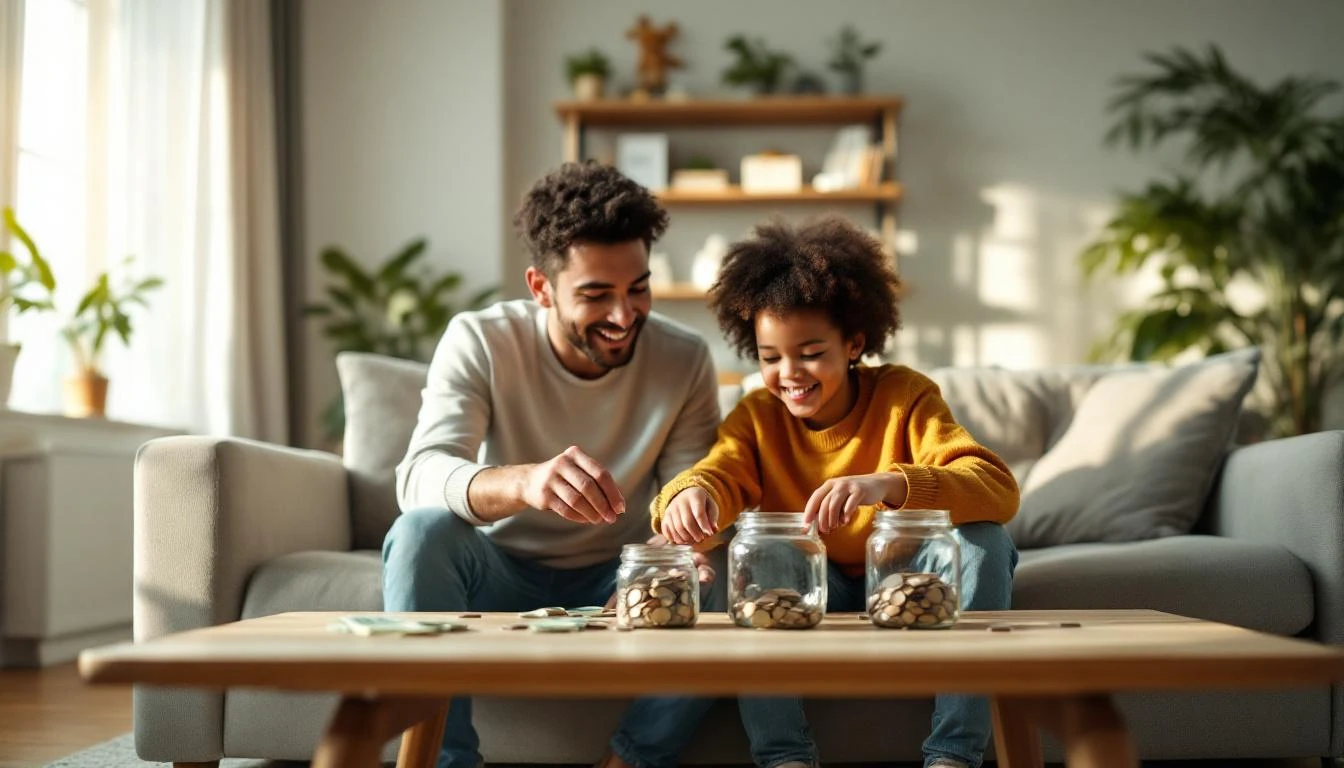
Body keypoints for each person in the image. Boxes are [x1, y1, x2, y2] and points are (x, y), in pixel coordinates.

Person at [382, 162, 724, 768]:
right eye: (596, 294)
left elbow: (685, 494)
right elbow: (419, 477)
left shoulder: (684, 358)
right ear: (541, 287)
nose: (624, 317)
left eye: (638, 287)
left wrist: (669, 559)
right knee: (420, 533)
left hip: (620, 578)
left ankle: (633, 761)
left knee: (720, 566)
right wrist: (523, 482)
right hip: (499, 571)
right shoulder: (482, 339)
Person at [654, 215, 1021, 768]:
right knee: (752, 555)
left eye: (810, 352)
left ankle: (953, 756)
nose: (789, 374)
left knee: (984, 541)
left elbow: (995, 489)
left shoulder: (906, 396)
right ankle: (785, 758)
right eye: (770, 357)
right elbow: (717, 472)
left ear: (853, 342)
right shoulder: (757, 415)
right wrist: (688, 497)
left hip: (903, 579)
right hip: (811, 586)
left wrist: (889, 483)